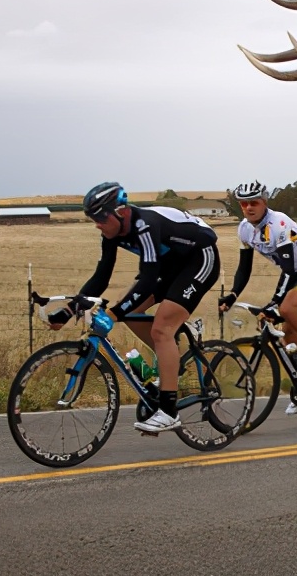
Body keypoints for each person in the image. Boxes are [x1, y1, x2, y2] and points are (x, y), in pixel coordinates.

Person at [49, 182, 220, 433]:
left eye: (100, 218)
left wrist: (113, 314)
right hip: (170, 264)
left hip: (199, 258)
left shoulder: (145, 225)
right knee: (128, 308)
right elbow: (101, 278)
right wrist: (68, 310)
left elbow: (148, 280)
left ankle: (169, 412)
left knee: (161, 328)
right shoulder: (111, 233)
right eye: (93, 219)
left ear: (121, 212)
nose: (97, 224)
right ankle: (172, 360)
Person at [218, 180, 297, 414]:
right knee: (288, 333)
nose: (249, 208)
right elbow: (244, 268)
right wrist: (232, 295)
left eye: (254, 203)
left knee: (286, 309)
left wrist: (274, 303)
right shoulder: (244, 229)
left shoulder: (279, 224)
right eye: (244, 204)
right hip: (293, 274)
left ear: (264, 202)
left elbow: (289, 269)